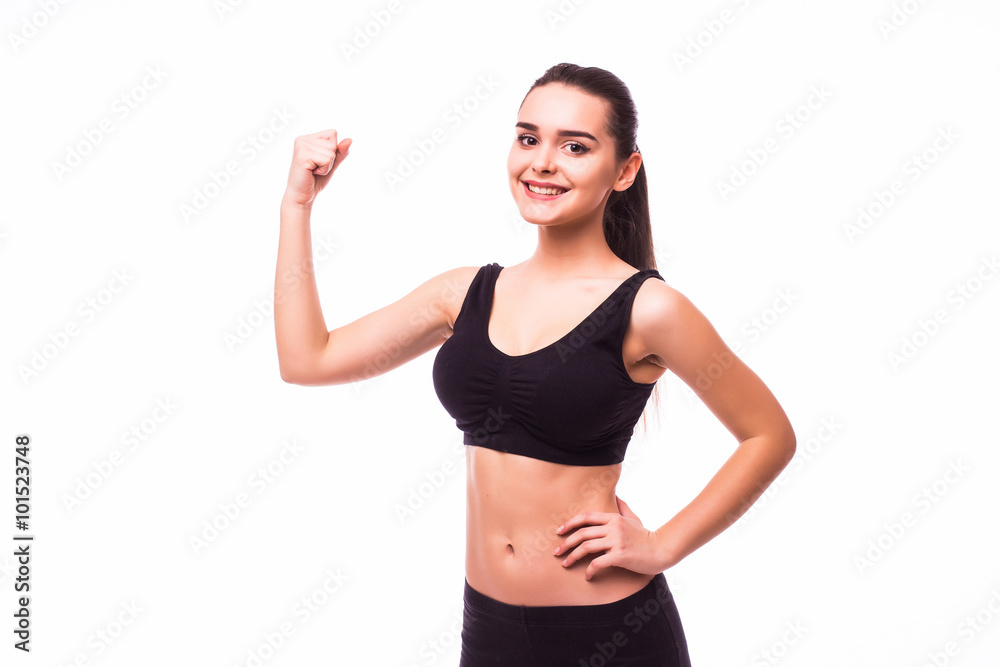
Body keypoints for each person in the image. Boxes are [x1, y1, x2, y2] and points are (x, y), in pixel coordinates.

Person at [274, 62, 796, 666]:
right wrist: (296, 206)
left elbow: (769, 435)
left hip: (609, 633)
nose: (543, 162)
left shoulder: (649, 309)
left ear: (624, 170)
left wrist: (663, 545)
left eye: (575, 146)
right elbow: (307, 360)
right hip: (490, 630)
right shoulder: (464, 292)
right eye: (529, 138)